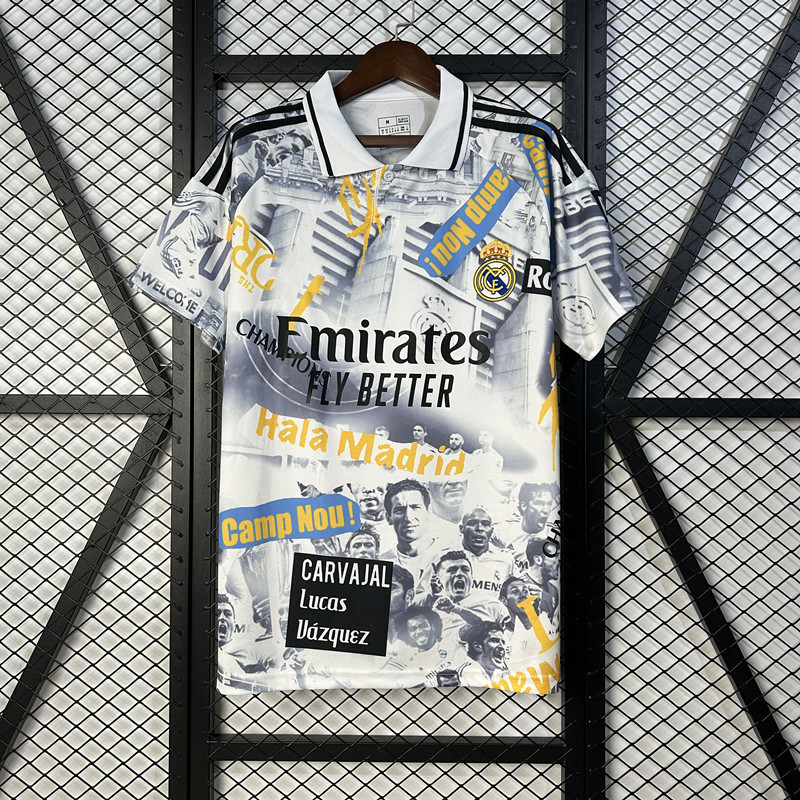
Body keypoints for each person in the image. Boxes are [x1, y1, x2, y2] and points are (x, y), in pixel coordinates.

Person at [457, 506, 515, 596]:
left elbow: (518, 594)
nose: (479, 528)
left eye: (485, 524)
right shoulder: (444, 557)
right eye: (472, 523)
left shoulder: (505, 560)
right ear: (461, 528)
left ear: (492, 530)